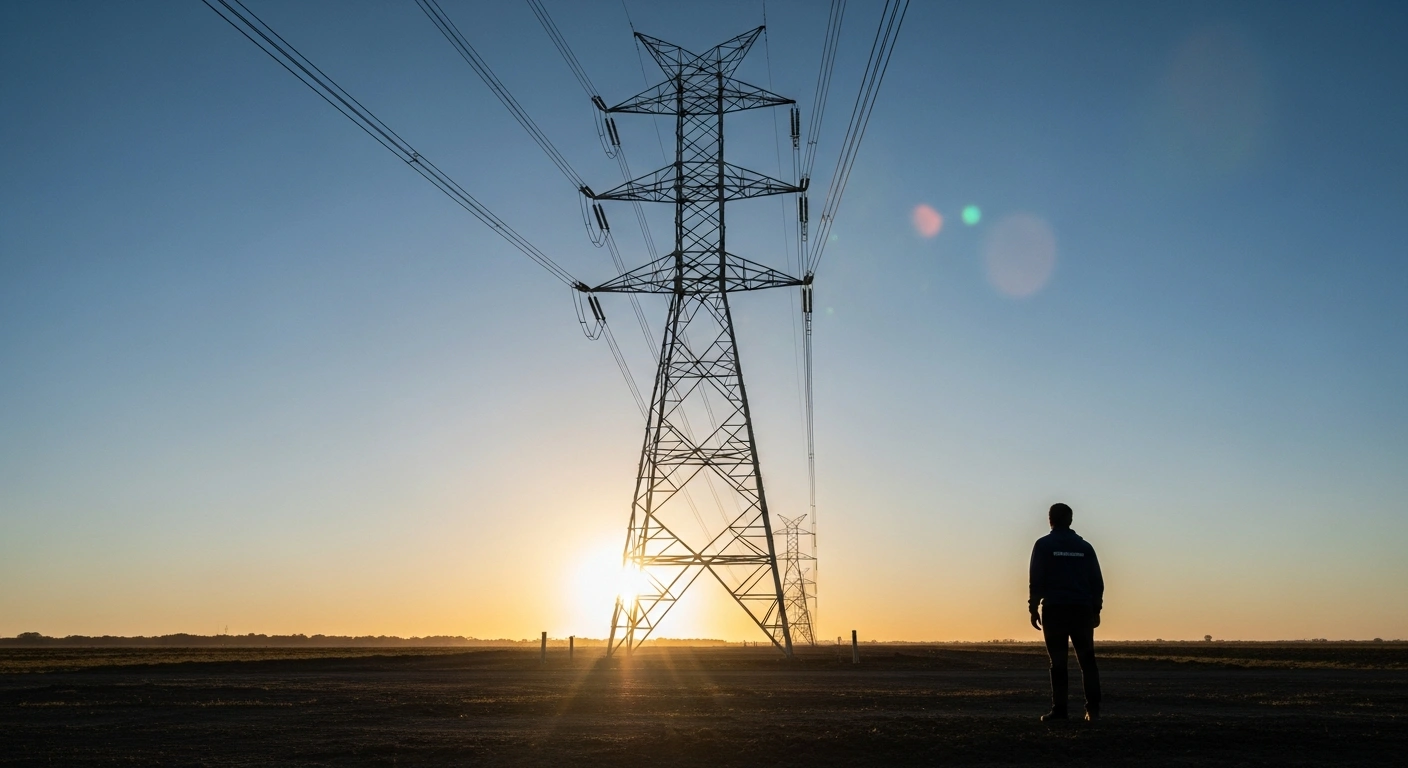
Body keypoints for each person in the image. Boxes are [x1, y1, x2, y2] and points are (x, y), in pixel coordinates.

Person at [1029, 502, 1103, 723]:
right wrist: (1096, 609)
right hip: (1081, 610)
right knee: (1087, 661)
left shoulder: (1043, 545)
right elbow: (1097, 582)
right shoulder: (1085, 547)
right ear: (1070, 520)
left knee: (1058, 662)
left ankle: (1060, 711)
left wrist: (1033, 607)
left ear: (1050, 519)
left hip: (1055, 611)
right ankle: (1094, 712)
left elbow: (1036, 579)